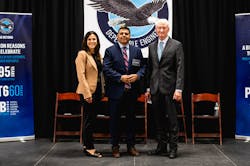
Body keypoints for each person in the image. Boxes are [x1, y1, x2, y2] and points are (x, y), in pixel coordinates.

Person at [103, 26, 146, 158]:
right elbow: (106, 68)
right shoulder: (110, 51)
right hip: (116, 92)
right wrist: (120, 77)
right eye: (121, 33)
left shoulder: (137, 51)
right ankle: (115, 147)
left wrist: (138, 75)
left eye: (126, 34)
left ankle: (130, 146)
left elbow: (143, 67)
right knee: (115, 121)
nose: (123, 35)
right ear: (117, 36)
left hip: (132, 93)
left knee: (131, 121)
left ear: (130, 36)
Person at [146, 18, 184, 159]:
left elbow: (180, 68)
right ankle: (161, 147)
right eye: (159, 28)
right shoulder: (151, 46)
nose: (161, 30)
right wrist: (148, 88)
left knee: (172, 121)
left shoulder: (176, 45)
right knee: (158, 120)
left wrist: (178, 89)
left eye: (164, 28)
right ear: (155, 30)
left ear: (168, 29)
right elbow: (150, 69)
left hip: (170, 89)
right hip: (155, 89)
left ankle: (173, 148)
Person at [75, 31, 103, 158]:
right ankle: (89, 148)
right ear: (86, 41)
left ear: (97, 41)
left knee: (92, 119)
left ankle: (87, 145)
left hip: (97, 91)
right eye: (89, 39)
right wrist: (87, 94)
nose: (92, 41)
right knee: (88, 120)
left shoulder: (97, 55)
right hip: (87, 92)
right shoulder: (82, 54)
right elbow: (81, 75)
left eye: (94, 39)